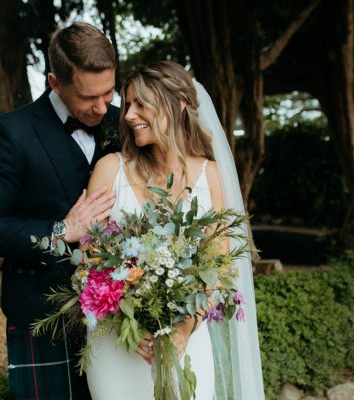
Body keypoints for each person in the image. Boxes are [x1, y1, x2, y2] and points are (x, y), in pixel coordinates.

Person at [0, 22, 119, 400]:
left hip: (120, 313)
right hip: (47, 317)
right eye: (87, 97)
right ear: (55, 83)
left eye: (109, 92)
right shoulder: (11, 133)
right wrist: (62, 230)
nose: (101, 107)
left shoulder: (121, 122)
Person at [85, 61, 265, 399]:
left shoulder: (210, 176)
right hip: (117, 346)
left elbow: (218, 267)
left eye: (141, 104)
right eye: (127, 105)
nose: (127, 115)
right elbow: (88, 262)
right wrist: (128, 323)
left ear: (178, 105)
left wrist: (184, 328)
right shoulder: (110, 171)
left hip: (188, 342)